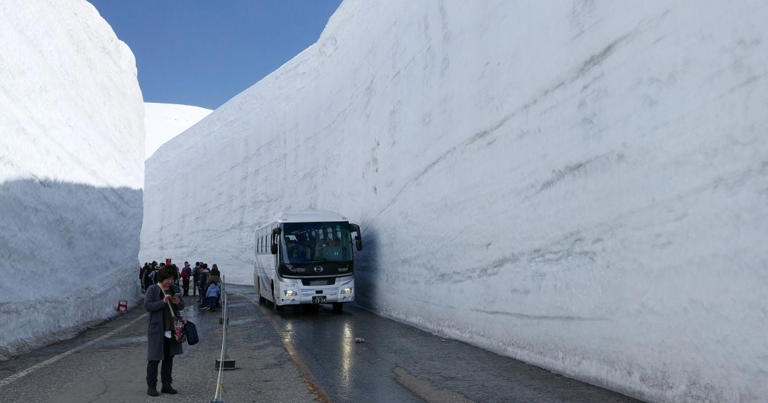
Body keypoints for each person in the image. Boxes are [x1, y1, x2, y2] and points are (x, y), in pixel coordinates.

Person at [144, 266, 184, 396]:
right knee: (154, 359)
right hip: (157, 330)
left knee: (169, 358)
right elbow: (148, 306)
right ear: (161, 278)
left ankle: (166, 385)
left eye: (172, 279)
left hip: (172, 330)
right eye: (168, 279)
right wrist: (162, 302)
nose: (170, 281)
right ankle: (151, 387)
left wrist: (178, 302)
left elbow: (182, 306)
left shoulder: (175, 289)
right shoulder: (153, 289)